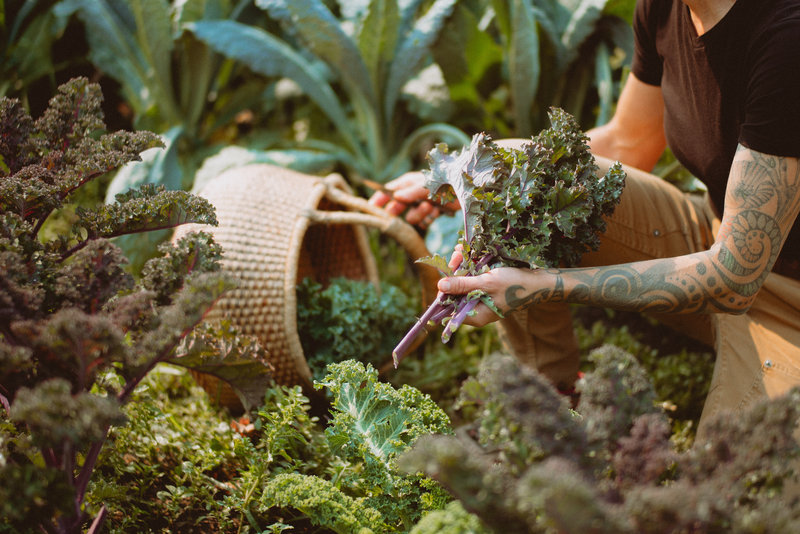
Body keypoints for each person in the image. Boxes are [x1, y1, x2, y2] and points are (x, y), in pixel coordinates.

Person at [370, 0, 800, 440]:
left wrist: (544, 285)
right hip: (711, 237)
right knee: (517, 174)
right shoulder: (667, 7)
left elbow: (735, 275)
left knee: (729, 486)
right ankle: (550, 405)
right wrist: (469, 183)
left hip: (778, 296)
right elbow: (628, 142)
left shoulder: (786, 38)